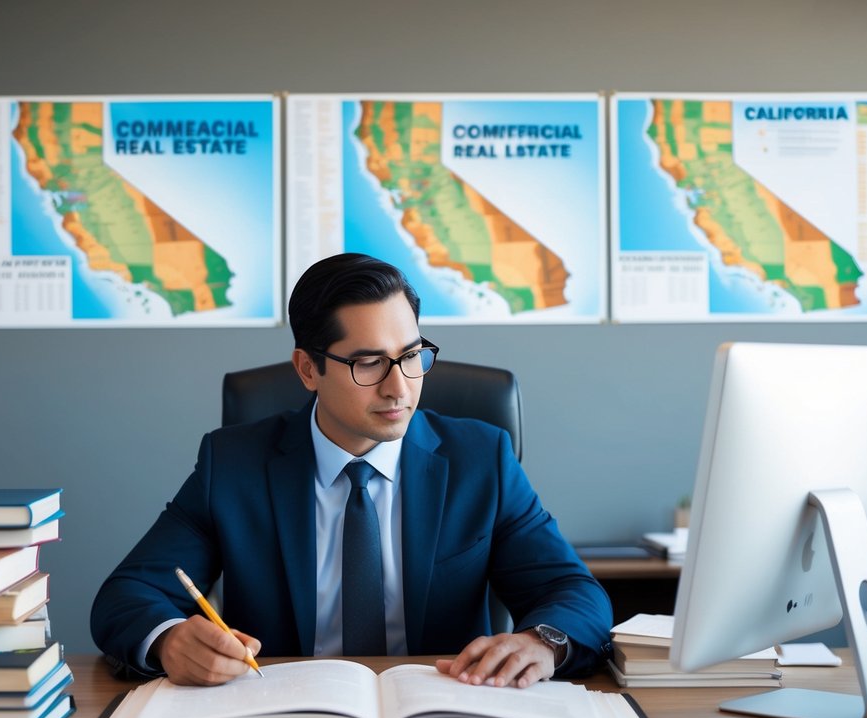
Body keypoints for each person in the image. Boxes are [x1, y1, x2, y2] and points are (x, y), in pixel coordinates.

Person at [91, 253, 612, 687]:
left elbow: (574, 592)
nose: (399, 387)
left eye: (412, 356)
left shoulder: (481, 459)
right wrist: (167, 639)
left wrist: (543, 643)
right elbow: (126, 596)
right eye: (368, 363)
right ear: (307, 369)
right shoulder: (234, 466)